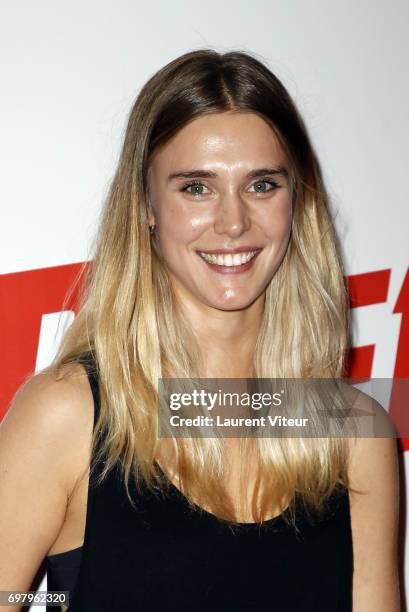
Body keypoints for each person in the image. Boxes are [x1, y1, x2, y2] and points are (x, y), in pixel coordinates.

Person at [0, 49, 400, 612]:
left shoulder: (357, 434)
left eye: (262, 185)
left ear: (297, 201)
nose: (234, 222)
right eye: (196, 187)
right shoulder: (69, 415)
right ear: (146, 205)